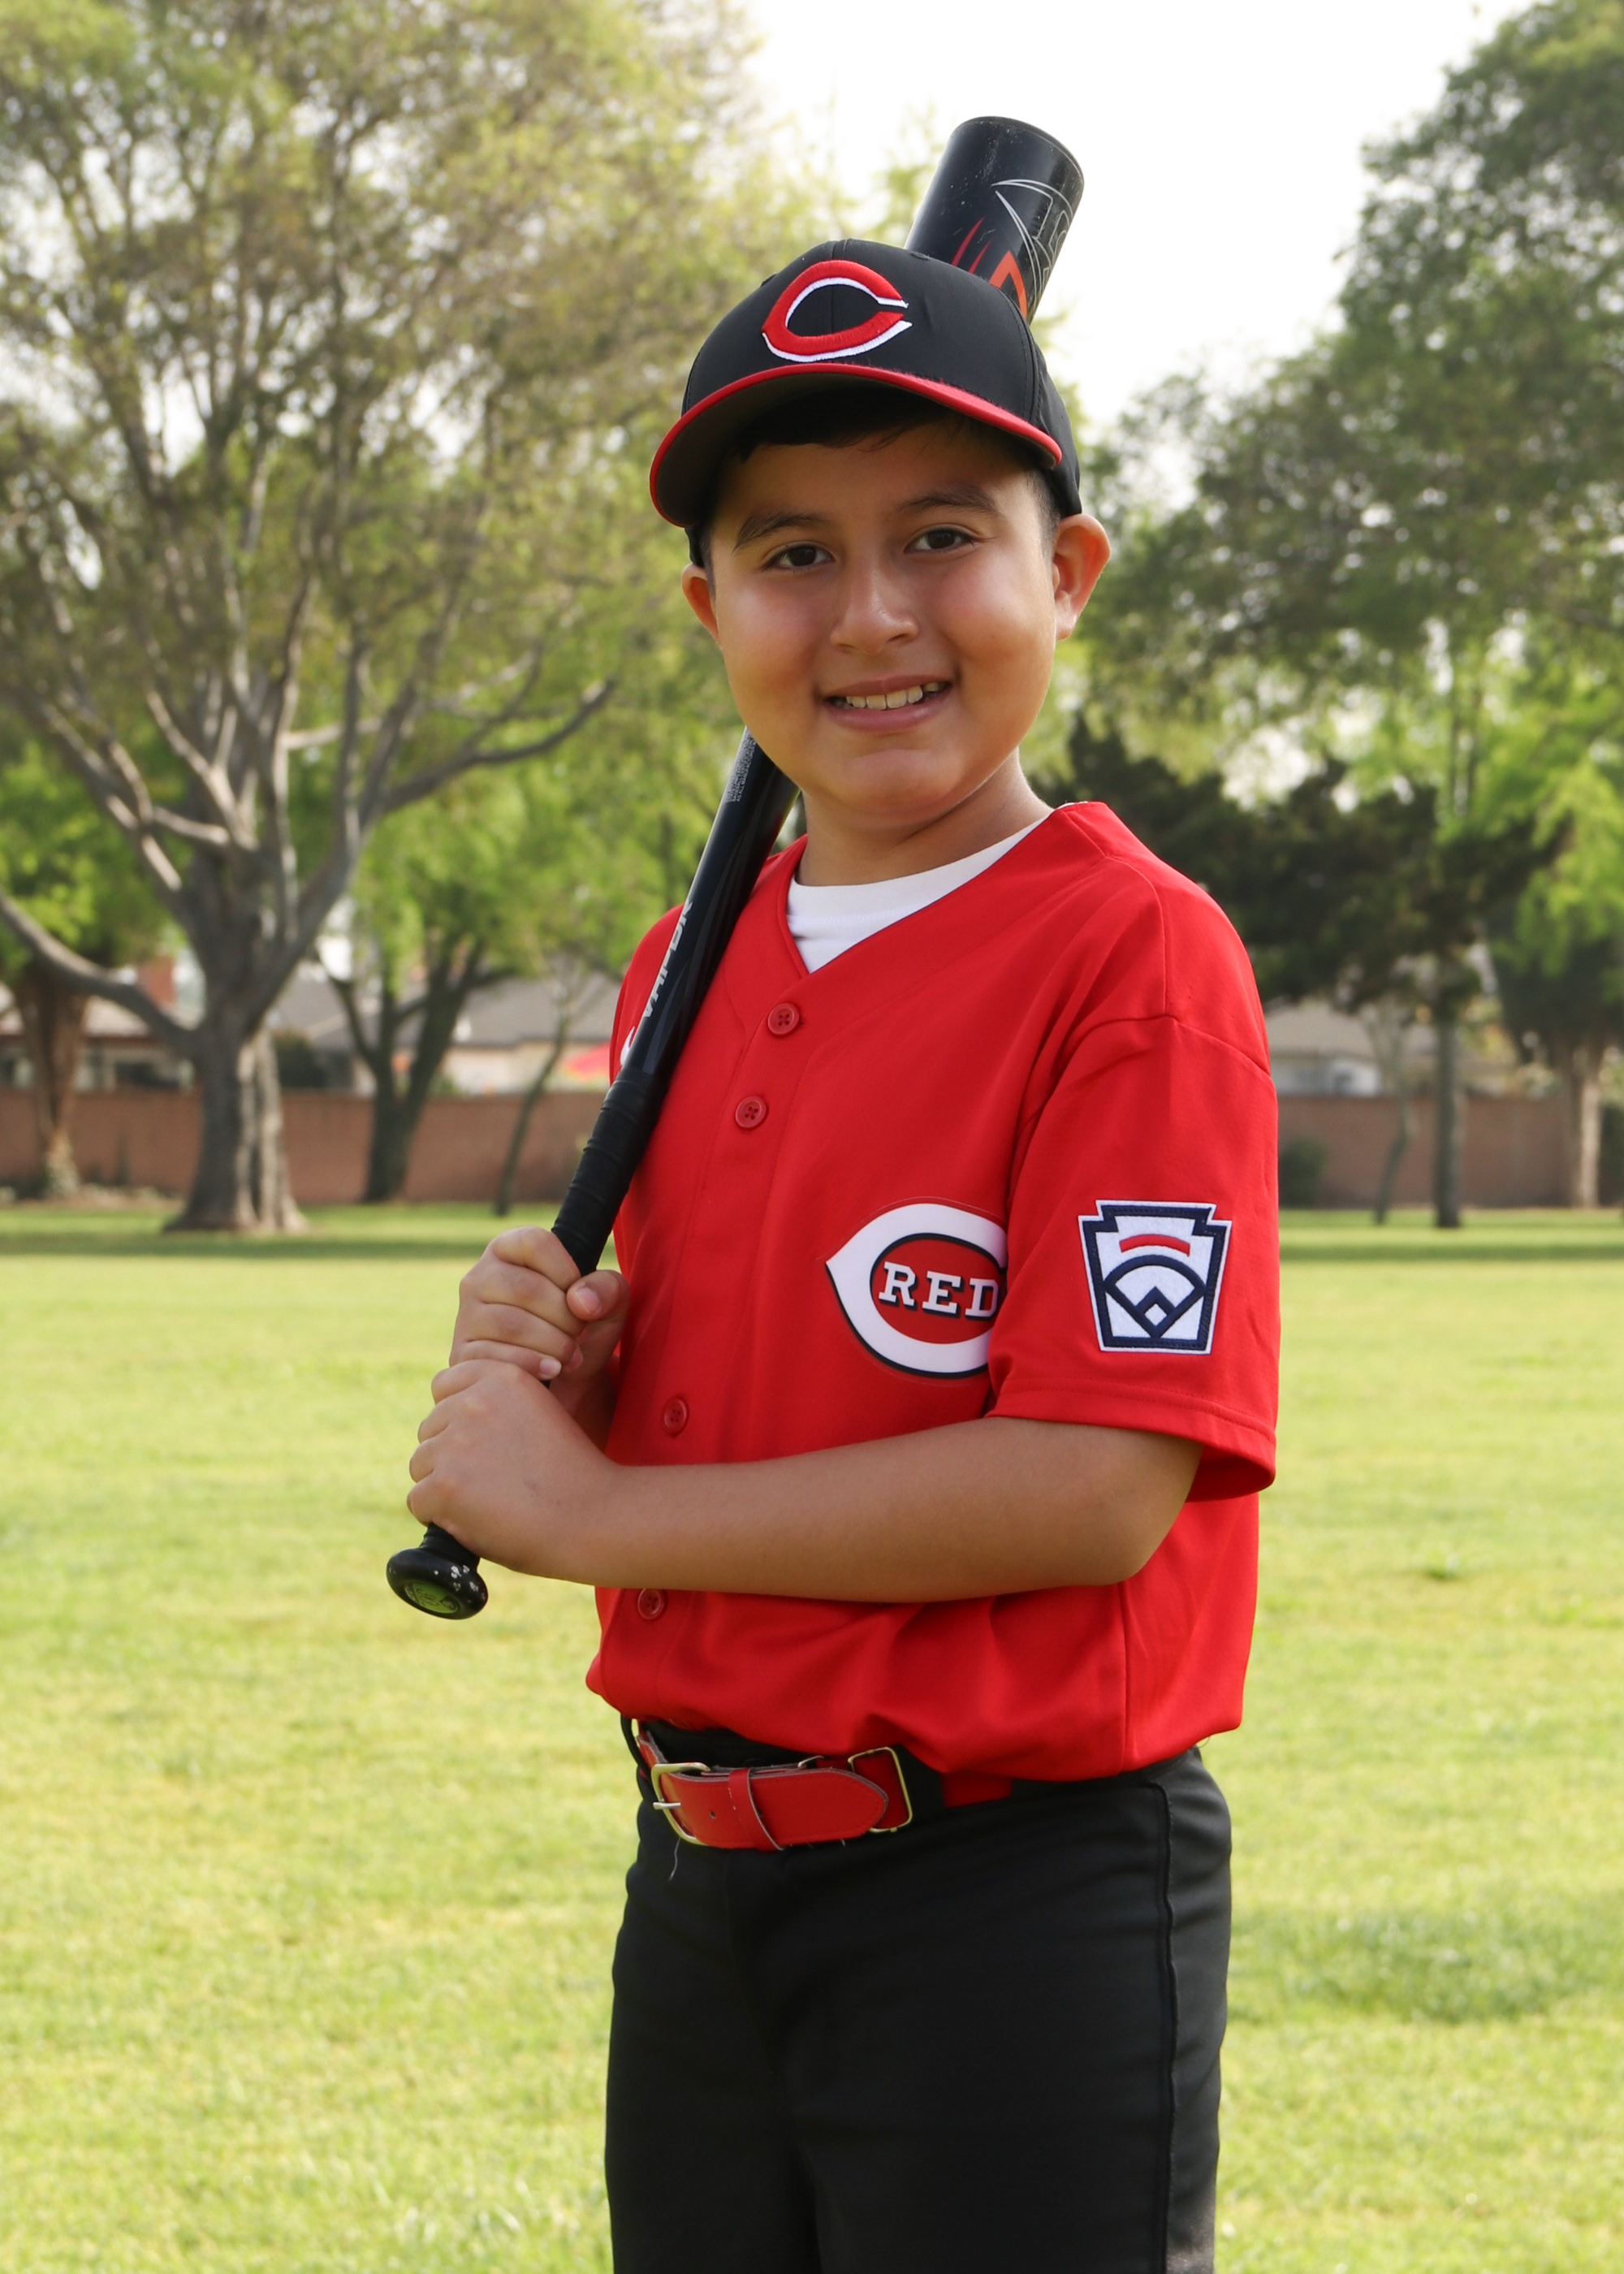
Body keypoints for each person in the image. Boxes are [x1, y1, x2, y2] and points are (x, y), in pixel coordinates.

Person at [408, 240, 1279, 2274]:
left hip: (1009, 1897)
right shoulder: (681, 962)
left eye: (942, 537)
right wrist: (580, 1377)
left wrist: (596, 1509)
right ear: (711, 610)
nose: (872, 613)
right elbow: (764, 1375)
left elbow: (1093, 1478)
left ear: (1067, 576)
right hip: (698, 1878)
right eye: (792, 552)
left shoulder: (1134, 956)